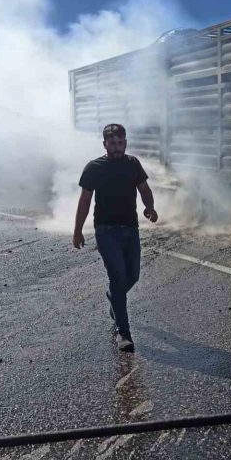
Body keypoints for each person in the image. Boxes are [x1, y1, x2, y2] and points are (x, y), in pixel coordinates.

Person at [73, 123, 158, 352]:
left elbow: (144, 188)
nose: (117, 147)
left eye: (121, 143)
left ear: (126, 143)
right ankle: (123, 332)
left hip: (131, 228)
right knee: (117, 276)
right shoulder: (94, 167)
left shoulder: (133, 164)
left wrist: (149, 207)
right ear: (105, 144)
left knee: (133, 276)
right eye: (112, 143)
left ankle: (114, 297)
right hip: (106, 230)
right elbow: (84, 201)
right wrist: (78, 230)